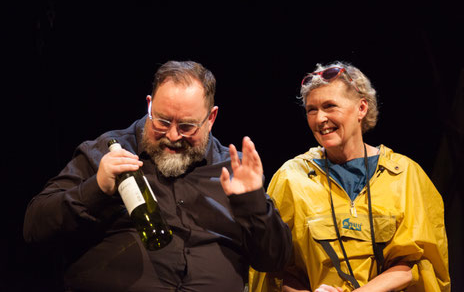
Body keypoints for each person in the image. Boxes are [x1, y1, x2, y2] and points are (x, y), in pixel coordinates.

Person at [23, 60, 292, 292]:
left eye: (186, 126)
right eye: (162, 121)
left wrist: (254, 204)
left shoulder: (233, 170)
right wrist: (97, 188)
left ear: (211, 118)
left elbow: (275, 261)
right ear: (149, 105)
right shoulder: (106, 153)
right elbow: (35, 228)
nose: (173, 136)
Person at [249, 62, 450, 291]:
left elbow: (419, 262)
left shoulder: (404, 175)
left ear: (361, 108)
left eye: (329, 106)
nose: (319, 118)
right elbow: (275, 268)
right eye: (311, 110)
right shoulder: (292, 178)